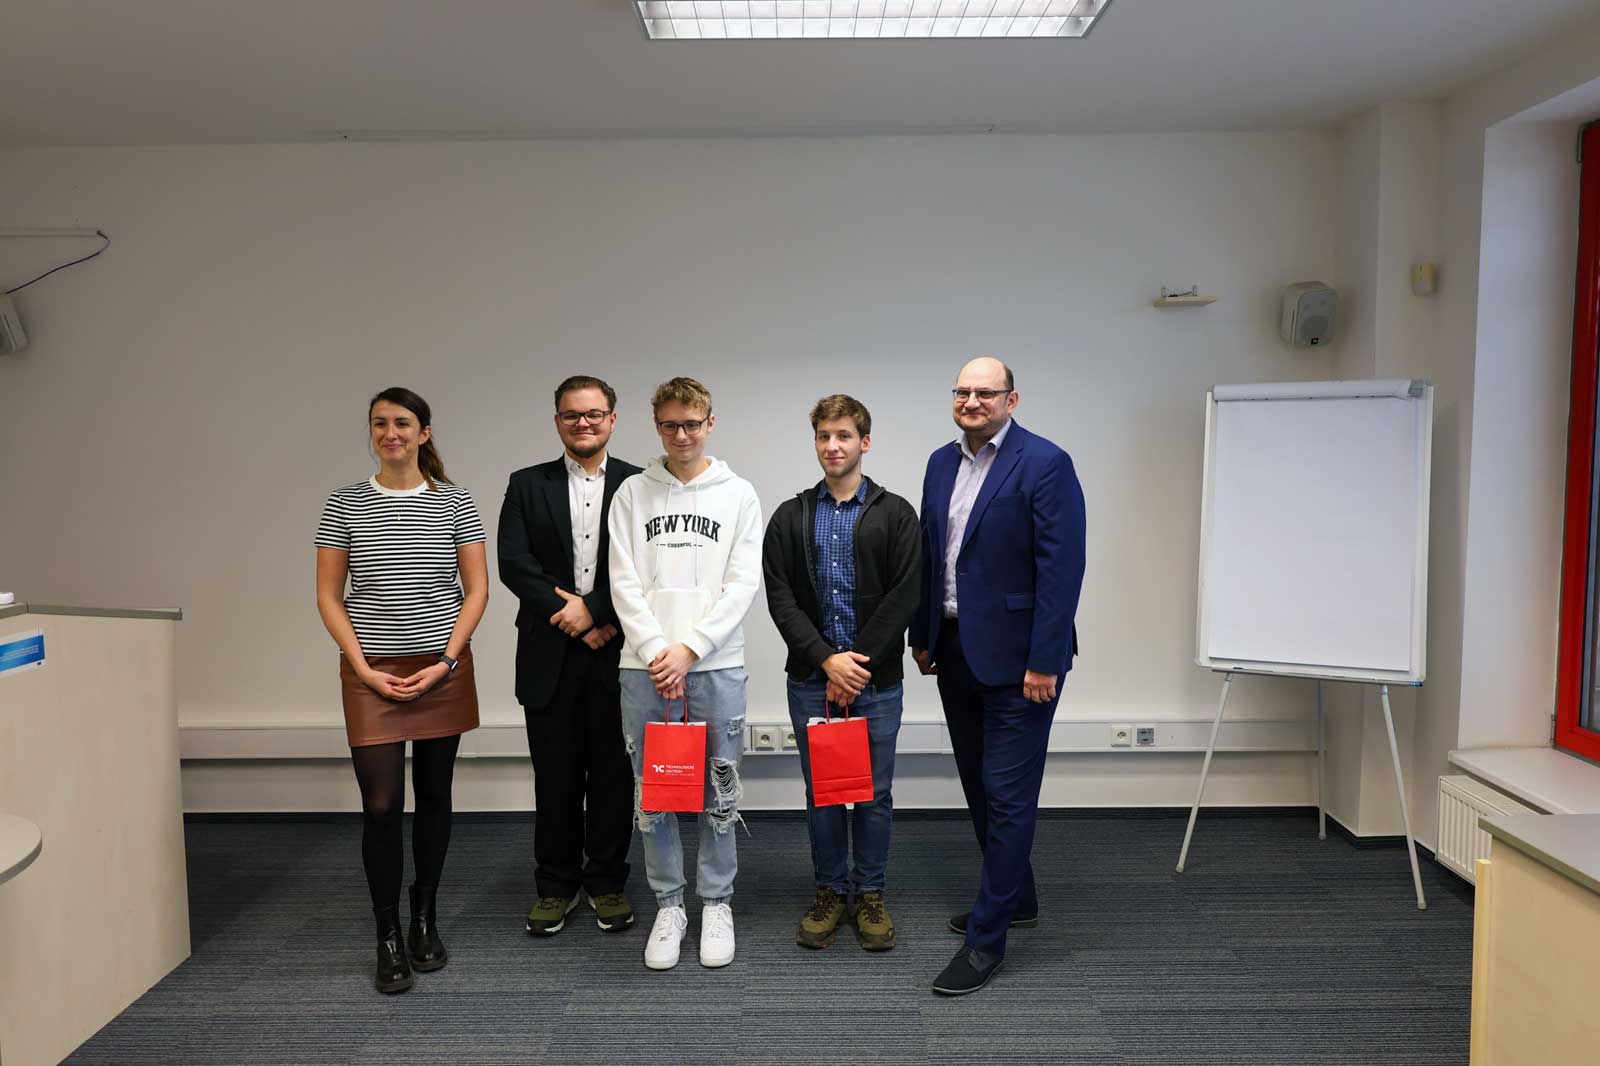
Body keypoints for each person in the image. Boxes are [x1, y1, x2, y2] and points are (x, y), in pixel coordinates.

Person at [910, 357, 1086, 996]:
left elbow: (1062, 568)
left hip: (1021, 663)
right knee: (981, 788)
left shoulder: (1045, 463)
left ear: (1011, 399)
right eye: (962, 391)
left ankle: (986, 941)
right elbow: (932, 554)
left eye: (985, 392)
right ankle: (1018, 897)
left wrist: (1044, 659)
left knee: (1008, 796)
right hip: (955, 650)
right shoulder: (940, 462)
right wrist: (924, 635)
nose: (972, 401)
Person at [314, 387, 489, 994]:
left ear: (424, 432)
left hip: (442, 670)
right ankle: (386, 933)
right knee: (383, 805)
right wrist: (362, 668)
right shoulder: (345, 502)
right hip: (372, 674)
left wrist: (445, 661)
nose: (390, 433)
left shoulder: (455, 500)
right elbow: (328, 596)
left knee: (435, 796)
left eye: (403, 423)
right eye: (379, 423)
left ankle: (424, 917)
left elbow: (477, 591)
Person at [607, 376, 763, 971]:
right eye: (670, 425)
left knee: (719, 791)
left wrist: (690, 649)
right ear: (657, 427)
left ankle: (716, 903)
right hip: (644, 667)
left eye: (692, 424)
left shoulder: (738, 494)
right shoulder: (632, 493)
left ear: (709, 424)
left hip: (715, 665)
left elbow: (741, 584)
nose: (681, 435)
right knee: (656, 793)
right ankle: (669, 905)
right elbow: (622, 581)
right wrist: (657, 651)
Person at [762, 394, 920, 952]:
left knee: (874, 795)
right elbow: (780, 597)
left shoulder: (896, 514)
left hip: (876, 684)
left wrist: (854, 666)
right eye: (824, 436)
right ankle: (830, 890)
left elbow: (904, 596)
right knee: (825, 793)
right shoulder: (791, 516)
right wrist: (825, 659)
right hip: (811, 682)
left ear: (864, 442)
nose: (833, 446)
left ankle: (870, 893)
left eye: (844, 435)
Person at [498, 375, 643, 936]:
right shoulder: (526, 484)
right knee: (555, 776)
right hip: (549, 651)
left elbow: (646, 566)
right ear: (557, 420)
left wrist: (598, 613)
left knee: (612, 775)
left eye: (593, 413)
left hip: (618, 650)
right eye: (571, 414)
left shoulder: (641, 484)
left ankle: (606, 882)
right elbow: (515, 563)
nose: (583, 423)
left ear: (612, 419)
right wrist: (574, 617)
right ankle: (555, 886)